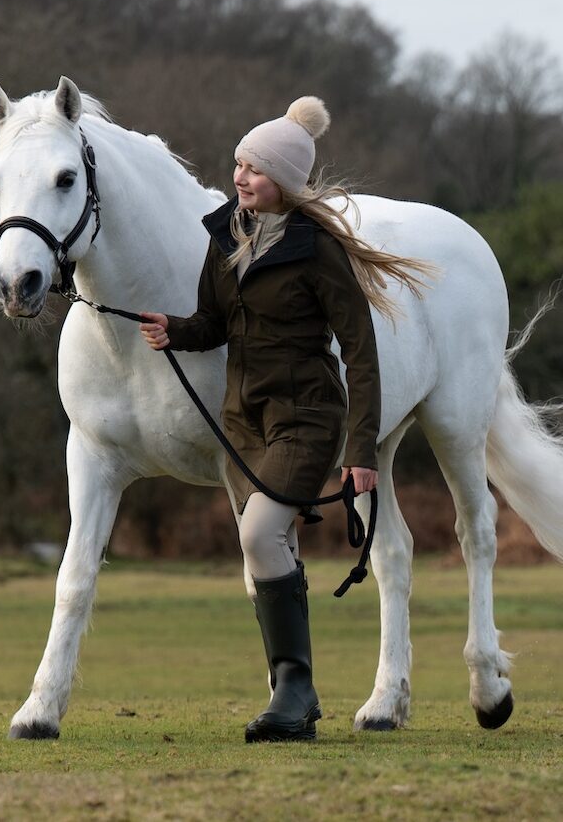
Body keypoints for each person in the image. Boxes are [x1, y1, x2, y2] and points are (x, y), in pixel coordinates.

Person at [138, 96, 438, 742]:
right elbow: (215, 321)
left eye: (256, 169)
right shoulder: (223, 234)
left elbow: (360, 351)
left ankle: (294, 690)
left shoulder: (318, 251)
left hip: (306, 416)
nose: (242, 177)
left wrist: (360, 452)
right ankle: (292, 696)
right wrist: (177, 331)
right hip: (243, 417)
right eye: (239, 163)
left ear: (286, 184)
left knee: (259, 536)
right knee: (266, 546)